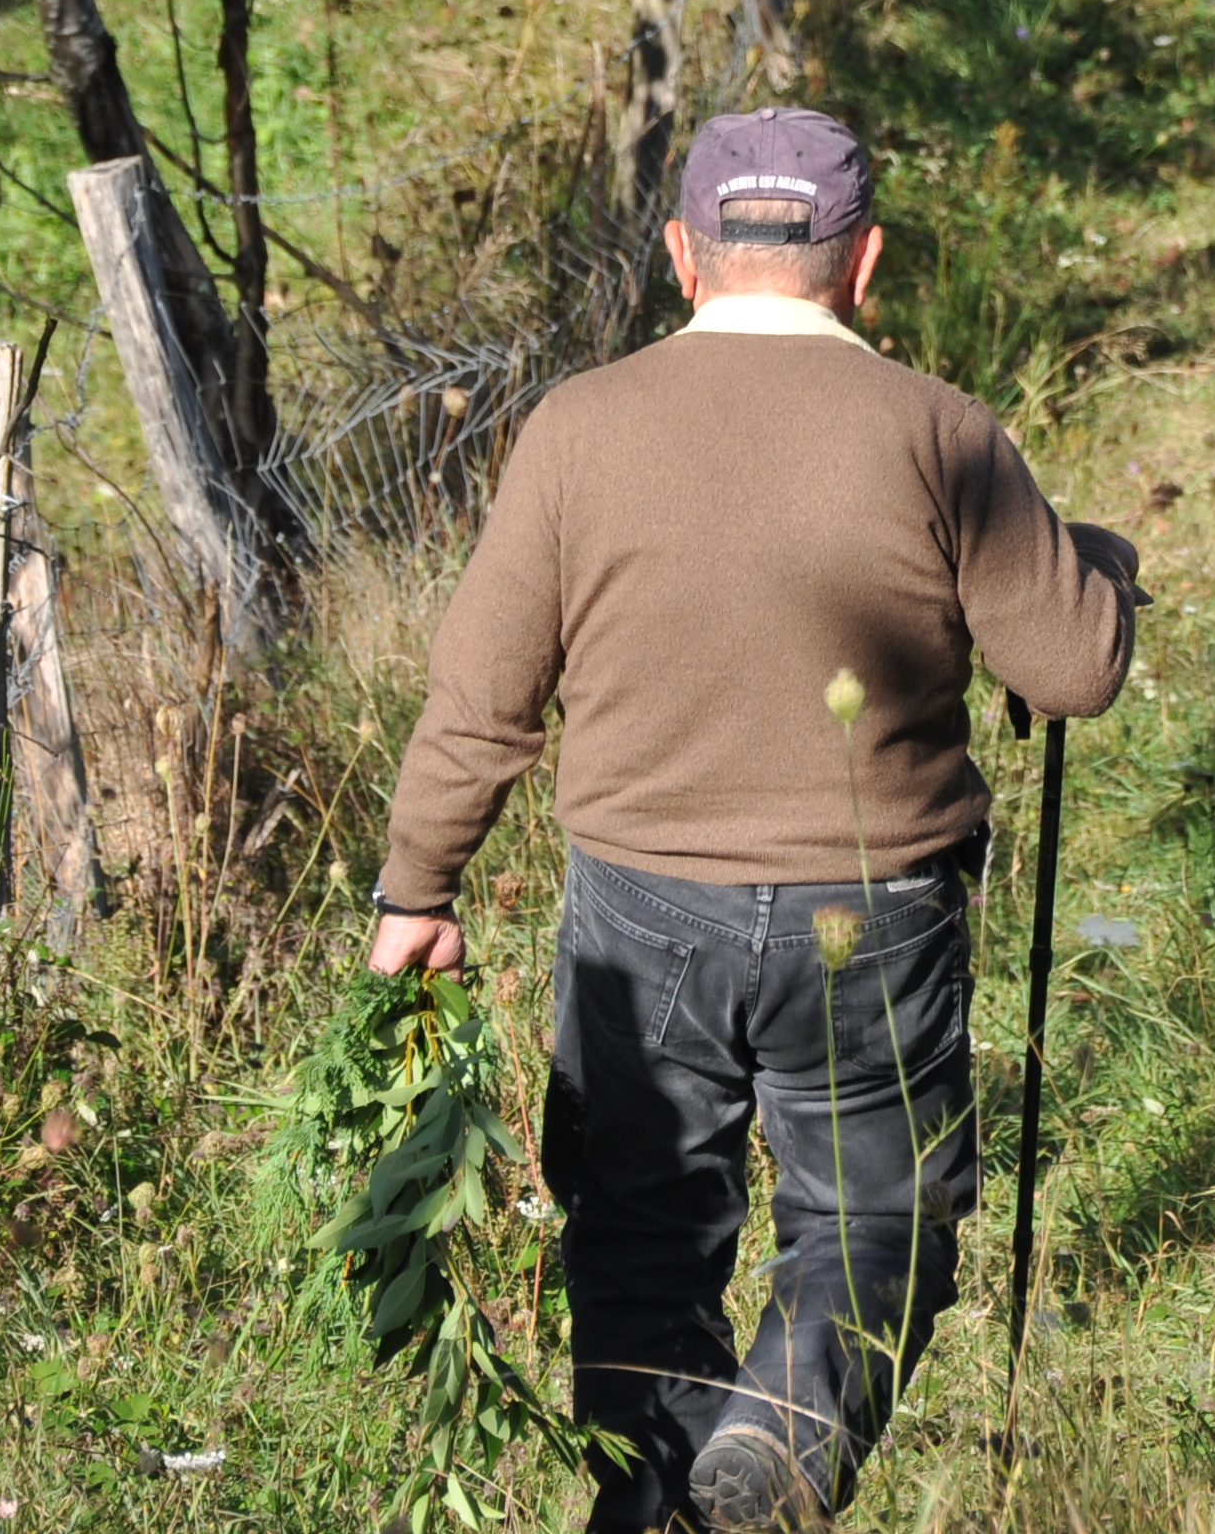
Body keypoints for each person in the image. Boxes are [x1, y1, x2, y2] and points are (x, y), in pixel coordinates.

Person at [372, 106, 1145, 1533]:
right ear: (866, 267)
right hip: (878, 915)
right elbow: (1074, 669)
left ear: (683, 253)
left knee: (642, 1246)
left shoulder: (575, 428)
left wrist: (416, 890)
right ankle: (782, 1446)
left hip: (637, 916)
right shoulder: (940, 431)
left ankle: (652, 1504)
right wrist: (1089, 562)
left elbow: (482, 699)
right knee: (872, 1223)